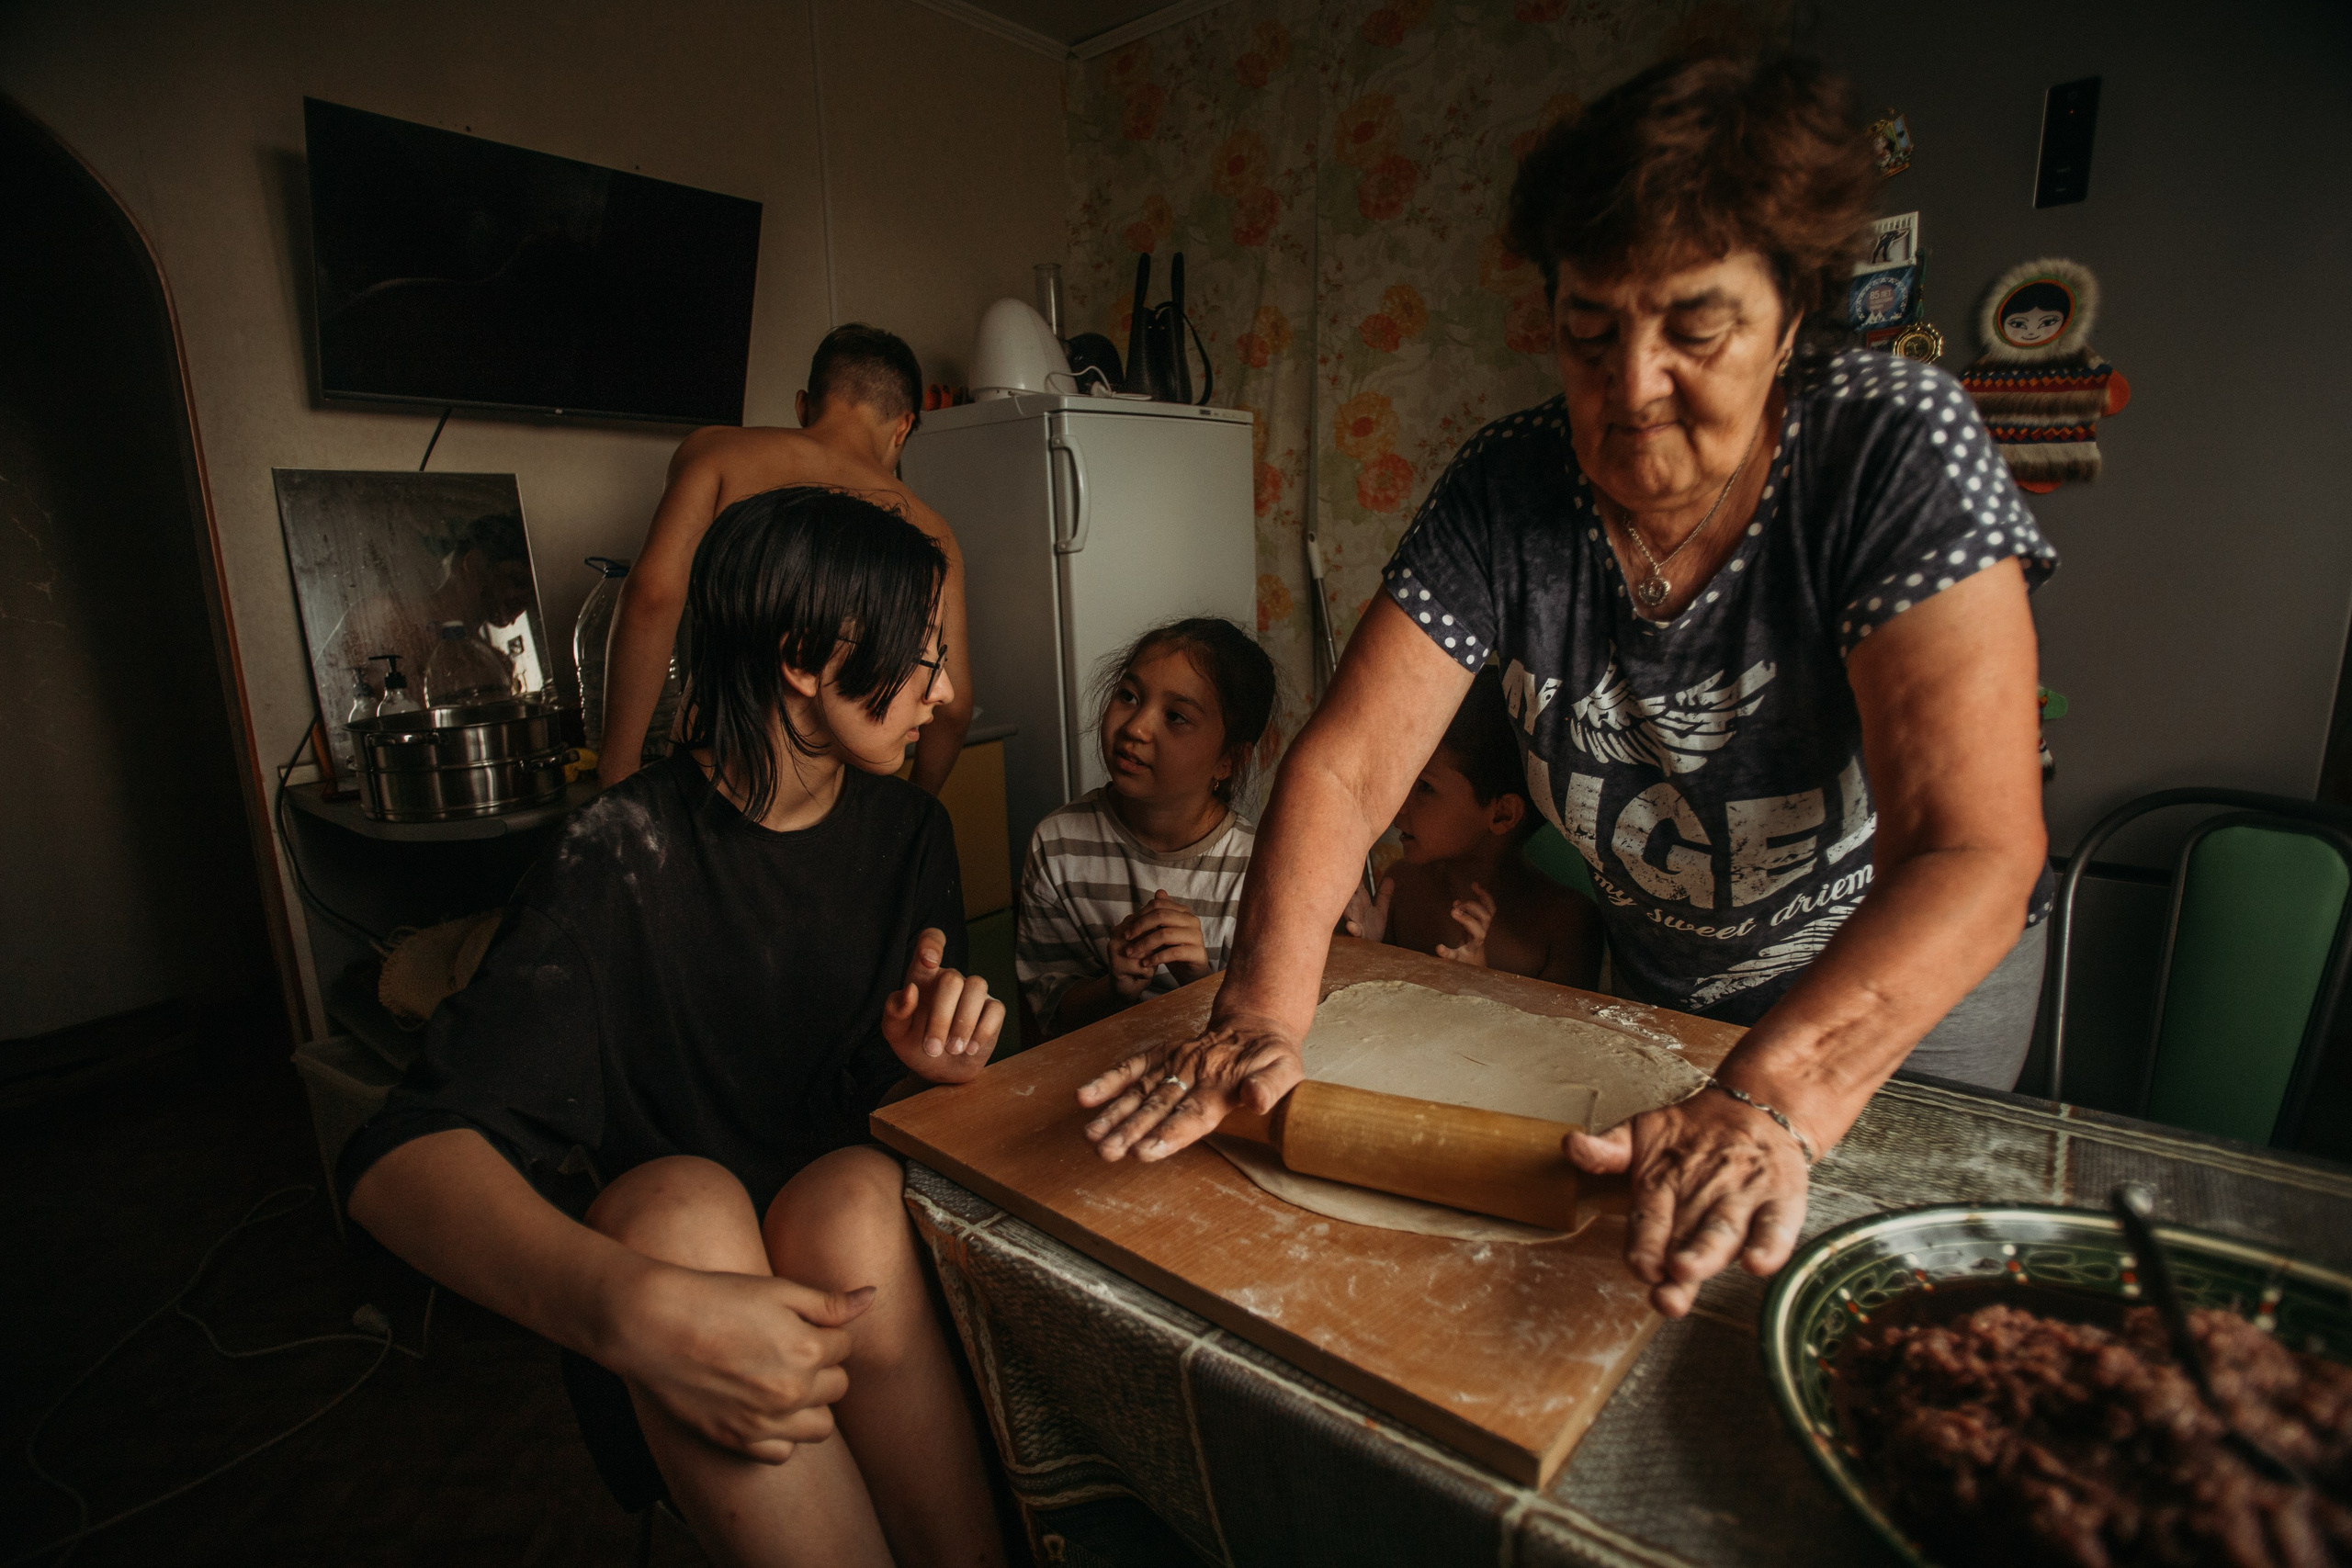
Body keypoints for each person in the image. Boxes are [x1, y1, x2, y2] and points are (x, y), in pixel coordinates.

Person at [1075, 55, 2060, 1322]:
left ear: (1794, 315)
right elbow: (1347, 766)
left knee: (1887, 1303)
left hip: (1903, 993)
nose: (1633, 388)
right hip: (1680, 976)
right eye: (1590, 334)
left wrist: (1774, 1096)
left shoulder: (1891, 447)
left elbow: (1971, 844)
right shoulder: (1510, 485)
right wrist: (1263, 1003)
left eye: (1695, 330)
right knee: (1637, 1303)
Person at [345, 486, 1008, 1568]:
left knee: (850, 1200)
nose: (942, 693)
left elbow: (888, 1125)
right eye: (921, 655)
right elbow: (395, 1160)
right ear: (803, 654)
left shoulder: (910, 835)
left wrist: (929, 1068)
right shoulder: (619, 853)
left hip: (860, 1277)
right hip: (676, 1303)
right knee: (677, 1207)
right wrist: (631, 1311)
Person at [599, 323, 975, 794]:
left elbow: (652, 597)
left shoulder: (717, 452)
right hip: (840, 788)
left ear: (803, 407)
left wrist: (616, 772)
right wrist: (912, 816)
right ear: (903, 426)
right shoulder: (928, 527)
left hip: (718, 765)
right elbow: (953, 707)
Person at [1016, 616, 1275, 1037]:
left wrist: (1197, 978)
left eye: (1175, 717)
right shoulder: (1059, 845)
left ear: (1230, 760)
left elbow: (1265, 1032)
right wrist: (1113, 990)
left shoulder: (1259, 867)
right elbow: (1050, 1019)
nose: (1135, 727)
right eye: (1129, 696)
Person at [1344, 666, 1602, 986]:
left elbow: (1569, 1033)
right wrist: (1366, 953)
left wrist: (1481, 989)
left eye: (1424, 787)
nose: (1399, 804)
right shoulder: (1400, 888)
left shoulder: (1567, 924)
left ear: (1502, 815)